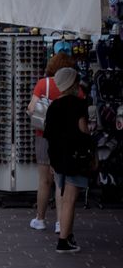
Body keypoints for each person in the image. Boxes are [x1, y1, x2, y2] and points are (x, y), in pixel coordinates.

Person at [26, 53, 78, 233]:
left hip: (44, 135)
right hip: (68, 137)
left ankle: (40, 219)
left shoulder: (44, 84)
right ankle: (60, 222)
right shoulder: (75, 86)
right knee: (61, 181)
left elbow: (32, 109)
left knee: (44, 180)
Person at [44, 67, 92, 254]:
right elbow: (83, 130)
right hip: (75, 155)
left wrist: (50, 160)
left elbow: (48, 135)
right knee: (70, 199)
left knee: (63, 196)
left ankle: (67, 234)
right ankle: (63, 239)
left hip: (57, 155)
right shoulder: (79, 104)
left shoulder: (53, 106)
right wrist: (92, 152)